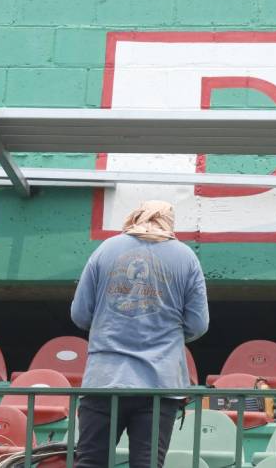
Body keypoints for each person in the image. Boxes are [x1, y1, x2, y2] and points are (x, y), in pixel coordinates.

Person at [71, 200, 208, 467]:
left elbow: (80, 314)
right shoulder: (186, 257)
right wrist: (167, 335)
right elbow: (198, 324)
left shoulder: (106, 249)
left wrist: (110, 325)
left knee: (90, 462)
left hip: (104, 380)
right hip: (159, 384)